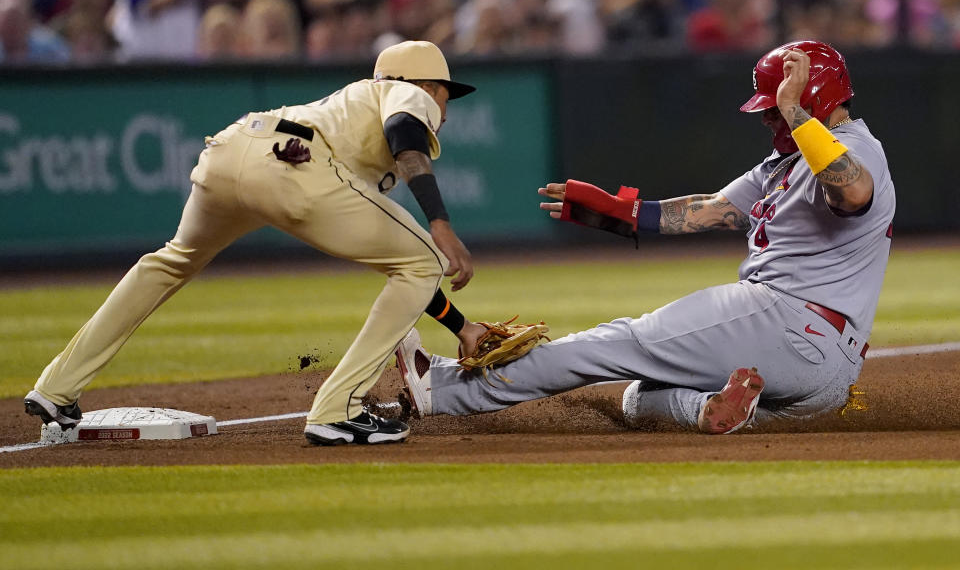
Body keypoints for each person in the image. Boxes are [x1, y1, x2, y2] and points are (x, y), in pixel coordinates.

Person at [397, 40, 896, 434]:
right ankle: (706, 410)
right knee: (639, 399)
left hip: (785, 318)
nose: (768, 116)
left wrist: (793, 110)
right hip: (825, 372)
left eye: (773, 106)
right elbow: (712, 210)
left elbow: (852, 191)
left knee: (614, 344)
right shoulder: (785, 161)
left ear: (812, 97)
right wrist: (623, 214)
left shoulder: (854, 148)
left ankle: (443, 390)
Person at [24, 40, 495, 446]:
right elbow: (405, 134)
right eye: (446, 93)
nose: (446, 106)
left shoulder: (350, 107)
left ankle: (56, 387)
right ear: (427, 85)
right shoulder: (408, 92)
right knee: (425, 256)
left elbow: (406, 263)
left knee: (170, 262)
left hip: (230, 150)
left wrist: (460, 327)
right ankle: (338, 410)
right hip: (296, 163)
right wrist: (440, 221)